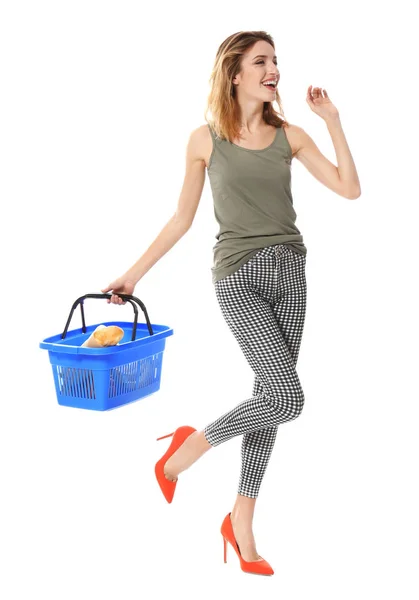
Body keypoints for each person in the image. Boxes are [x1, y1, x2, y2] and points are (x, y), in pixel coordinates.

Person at [101, 31, 361, 575]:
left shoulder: (290, 135)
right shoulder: (204, 139)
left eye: (275, 62)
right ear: (235, 73)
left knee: (271, 397)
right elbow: (181, 219)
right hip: (239, 277)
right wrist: (132, 275)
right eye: (261, 62)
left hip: (292, 271)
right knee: (287, 399)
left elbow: (348, 188)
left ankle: (240, 519)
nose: (273, 71)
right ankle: (187, 450)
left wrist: (331, 120)